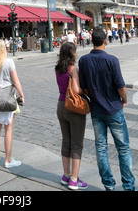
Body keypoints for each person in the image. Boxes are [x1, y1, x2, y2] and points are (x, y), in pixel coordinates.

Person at [79, 27, 135, 191]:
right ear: (105, 41)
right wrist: (123, 101)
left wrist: (94, 97)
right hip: (114, 109)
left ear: (91, 40)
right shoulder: (112, 60)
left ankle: (108, 185)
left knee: (101, 148)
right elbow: (121, 86)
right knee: (123, 148)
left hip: (97, 110)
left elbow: (84, 88)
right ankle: (128, 185)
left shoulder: (84, 61)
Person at [0, 39, 24, 169]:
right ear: (4, 49)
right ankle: (8, 160)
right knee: (9, 129)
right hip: (9, 99)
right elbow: (16, 81)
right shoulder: (9, 62)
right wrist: (22, 95)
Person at [55, 42, 88, 190]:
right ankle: (74, 180)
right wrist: (84, 90)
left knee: (66, 141)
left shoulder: (57, 68)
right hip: (73, 108)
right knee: (77, 144)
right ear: (72, 53)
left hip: (61, 105)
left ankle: (66, 175)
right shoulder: (73, 69)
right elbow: (76, 89)